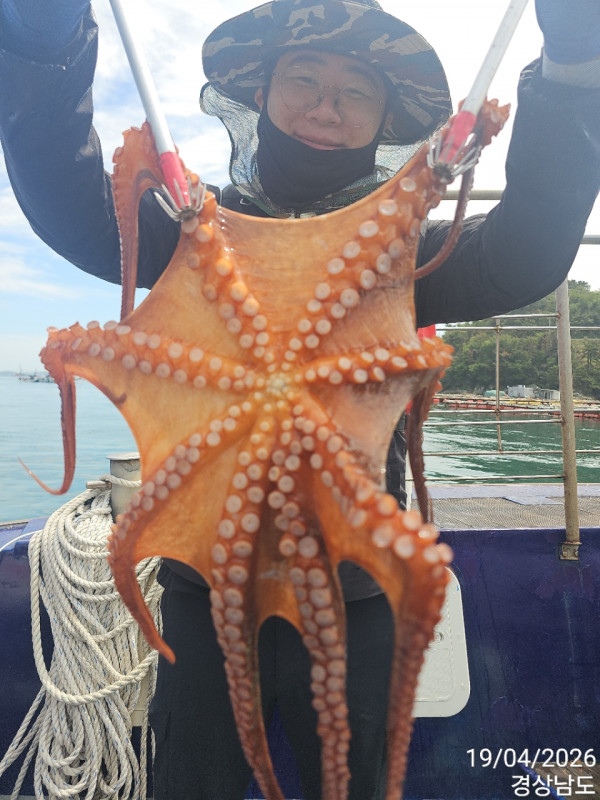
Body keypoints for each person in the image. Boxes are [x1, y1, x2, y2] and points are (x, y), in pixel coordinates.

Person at [1, 1, 599, 798]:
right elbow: (70, 202)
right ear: (261, 95)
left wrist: (571, 72)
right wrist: (46, 46)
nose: (326, 106)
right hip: (205, 592)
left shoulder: (406, 257)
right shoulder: (195, 235)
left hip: (355, 596)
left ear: (383, 120)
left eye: (356, 92)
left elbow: (527, 251)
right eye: (305, 80)